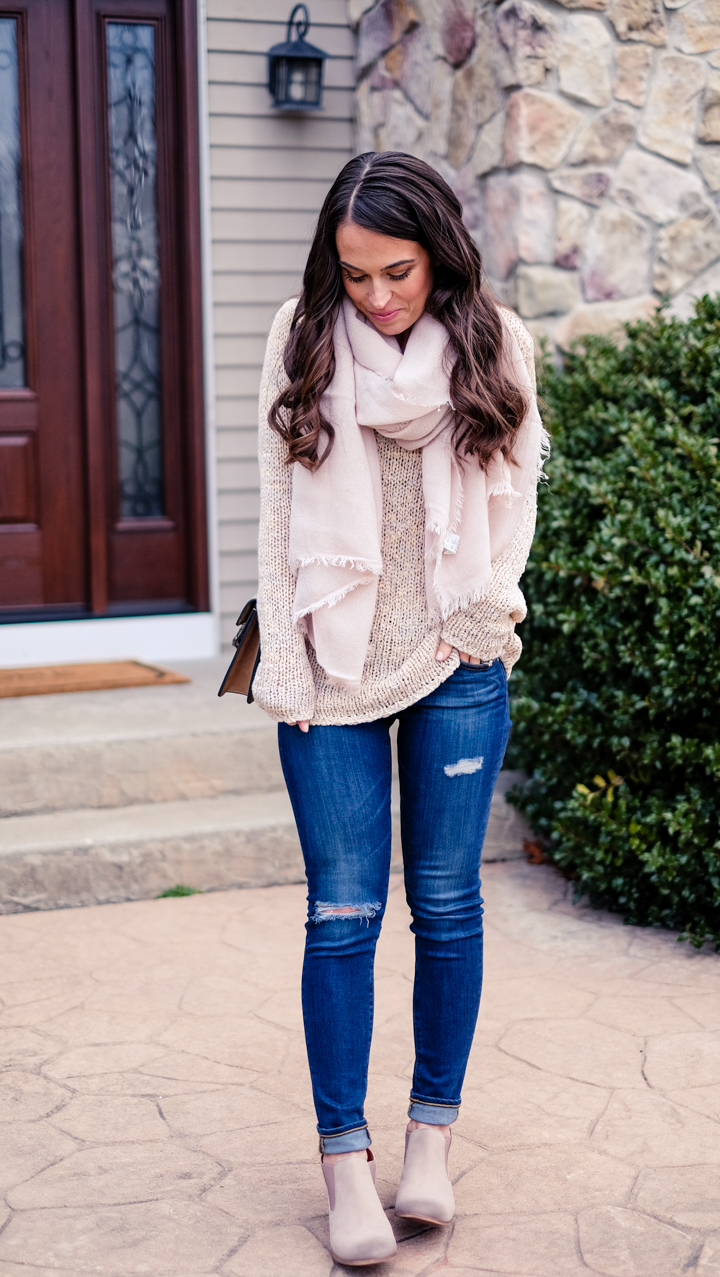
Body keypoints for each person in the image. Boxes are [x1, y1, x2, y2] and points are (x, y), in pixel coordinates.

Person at [252, 151, 546, 1267]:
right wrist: (287, 668)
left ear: (441, 255)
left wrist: (483, 619)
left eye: (399, 271)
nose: (377, 296)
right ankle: (344, 1160)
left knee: (446, 905)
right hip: (329, 670)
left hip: (456, 663)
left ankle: (429, 1141)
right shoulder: (300, 335)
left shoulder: (494, 340)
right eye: (356, 273)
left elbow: (517, 485)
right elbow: (278, 507)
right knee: (341, 914)